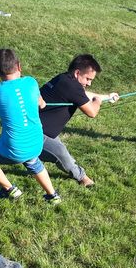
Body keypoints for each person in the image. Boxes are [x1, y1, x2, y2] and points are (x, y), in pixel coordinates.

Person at [0, 49, 60, 204]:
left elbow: (0, 102)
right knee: (32, 161)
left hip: (13, 150)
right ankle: (53, 196)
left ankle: (10, 189)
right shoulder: (31, 82)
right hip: (36, 143)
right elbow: (41, 104)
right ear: (19, 66)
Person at [39, 55, 119, 188]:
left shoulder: (63, 78)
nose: (89, 83)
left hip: (43, 129)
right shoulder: (72, 87)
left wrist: (106, 97)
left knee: (60, 152)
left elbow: (83, 95)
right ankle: (83, 178)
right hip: (36, 132)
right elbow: (92, 112)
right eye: (88, 79)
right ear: (77, 73)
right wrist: (98, 101)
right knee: (61, 153)